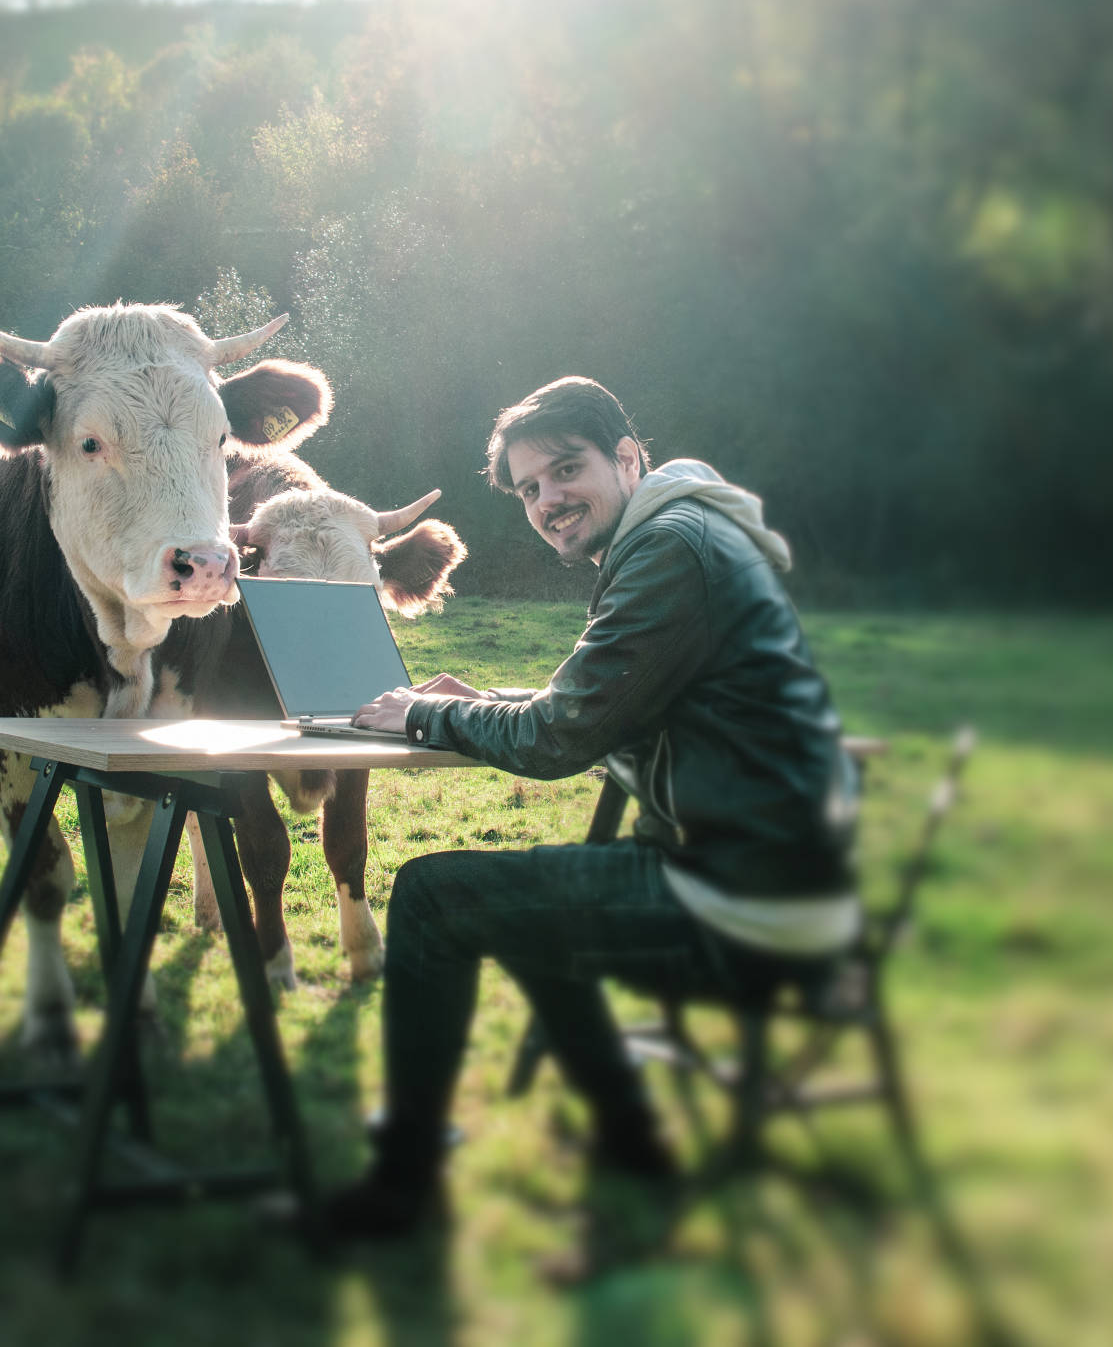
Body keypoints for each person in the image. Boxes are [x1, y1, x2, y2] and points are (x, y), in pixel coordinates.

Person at [330, 375, 860, 1241]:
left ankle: (400, 1187)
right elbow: (614, 701)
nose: (547, 502)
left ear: (626, 456)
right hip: (771, 873)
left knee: (435, 895)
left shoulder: (667, 551)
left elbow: (558, 741)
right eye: (530, 488)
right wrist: (493, 697)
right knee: (530, 901)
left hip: (746, 900)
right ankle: (633, 1142)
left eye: (564, 471)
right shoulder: (685, 533)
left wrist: (427, 712)